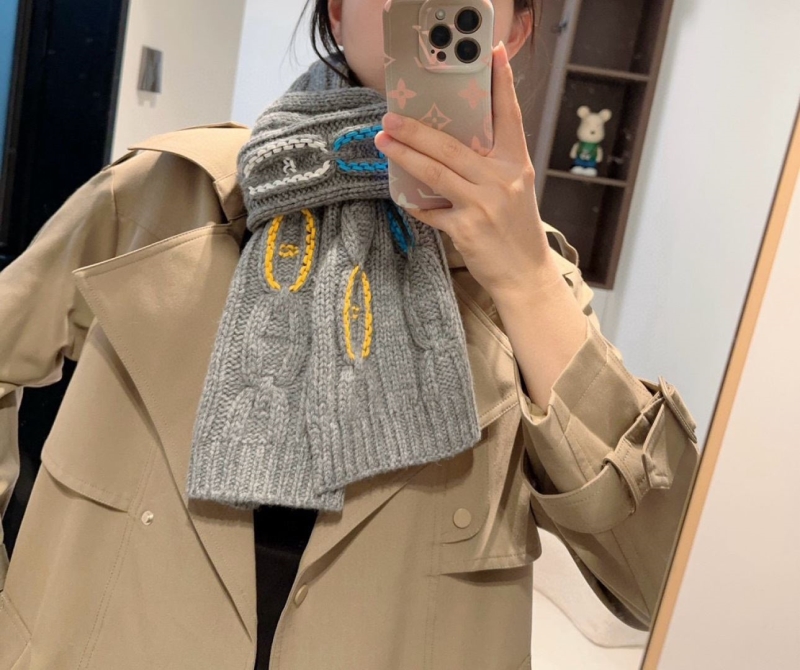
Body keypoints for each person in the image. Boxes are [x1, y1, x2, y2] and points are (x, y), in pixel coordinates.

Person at [0, 1, 700, 668]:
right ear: (336, 11)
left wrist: (525, 279)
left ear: (511, 32)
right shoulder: (160, 196)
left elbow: (661, 583)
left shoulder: (537, 289)